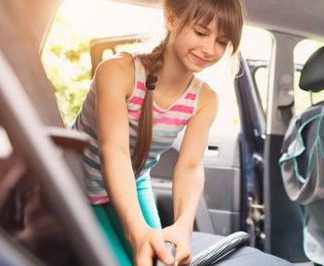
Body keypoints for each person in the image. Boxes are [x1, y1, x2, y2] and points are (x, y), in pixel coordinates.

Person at [70, 0, 244, 265]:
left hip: (136, 182)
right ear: (171, 18)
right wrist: (137, 232)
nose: (210, 49)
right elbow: (113, 152)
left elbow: (190, 166)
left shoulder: (205, 100)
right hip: (79, 182)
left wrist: (183, 225)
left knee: (158, 259)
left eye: (222, 41)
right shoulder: (117, 72)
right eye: (200, 32)